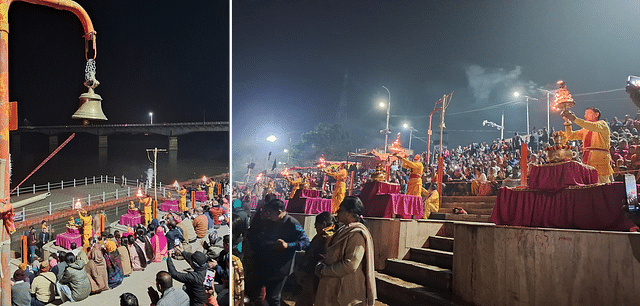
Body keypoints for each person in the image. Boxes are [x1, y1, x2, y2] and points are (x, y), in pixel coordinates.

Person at [314, 197, 376, 306]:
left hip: (345, 292)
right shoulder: (343, 230)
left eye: (340, 210)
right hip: (332, 288)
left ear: (349, 213)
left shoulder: (356, 234)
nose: (337, 213)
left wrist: (324, 270)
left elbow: (350, 265)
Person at [247, 199, 310, 306]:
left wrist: (288, 245)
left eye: (270, 213)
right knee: (256, 294)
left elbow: (306, 242)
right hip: (265, 264)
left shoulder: (293, 224)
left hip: (280, 268)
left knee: (273, 298)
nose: (268, 215)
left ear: (279, 212)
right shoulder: (269, 221)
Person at [562, 108, 614, 183]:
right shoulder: (585, 129)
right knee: (589, 182)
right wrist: (567, 121)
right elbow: (570, 136)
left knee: (602, 182)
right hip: (587, 158)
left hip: (599, 159)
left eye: (588, 113)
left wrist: (575, 119)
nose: (585, 116)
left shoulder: (602, 124)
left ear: (596, 115)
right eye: (585, 114)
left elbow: (592, 126)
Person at [295, 212, 336, 306]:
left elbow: (315, 255)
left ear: (324, 224)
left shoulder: (325, 237)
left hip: (315, 274)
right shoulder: (335, 234)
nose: (315, 228)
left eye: (316, 225)